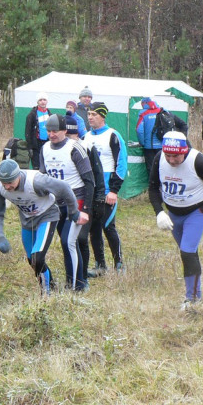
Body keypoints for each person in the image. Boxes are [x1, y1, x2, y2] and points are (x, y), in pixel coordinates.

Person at [148, 131, 203, 311]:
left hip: (197, 210)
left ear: (184, 151)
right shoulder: (159, 159)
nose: (171, 160)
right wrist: (159, 212)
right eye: (168, 155)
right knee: (188, 252)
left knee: (187, 252)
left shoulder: (198, 162)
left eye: (175, 156)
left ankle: (193, 298)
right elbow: (153, 188)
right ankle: (195, 290)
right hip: (173, 213)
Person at [0, 159, 80, 295]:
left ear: (18, 176)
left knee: (37, 256)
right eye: (4, 183)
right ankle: (51, 286)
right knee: (32, 260)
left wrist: (74, 211)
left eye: (10, 183)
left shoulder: (37, 181)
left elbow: (64, 188)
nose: (7, 187)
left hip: (47, 215)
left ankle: (46, 294)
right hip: (27, 220)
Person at [39, 114, 94, 292]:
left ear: (64, 131)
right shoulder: (45, 148)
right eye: (48, 131)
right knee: (69, 243)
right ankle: (76, 279)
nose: (52, 134)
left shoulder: (75, 148)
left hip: (76, 200)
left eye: (55, 131)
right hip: (56, 203)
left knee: (67, 241)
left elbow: (89, 180)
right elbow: (43, 177)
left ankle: (77, 285)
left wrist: (86, 208)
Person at [83, 102, 125, 275]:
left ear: (102, 116)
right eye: (89, 114)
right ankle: (100, 265)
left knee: (108, 227)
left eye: (94, 114)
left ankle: (119, 264)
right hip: (92, 191)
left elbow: (121, 164)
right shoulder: (86, 137)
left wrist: (114, 191)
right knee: (93, 229)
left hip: (108, 190)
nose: (90, 117)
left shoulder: (113, 135)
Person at [64, 114, 104, 288]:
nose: (69, 140)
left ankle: (83, 277)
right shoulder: (59, 149)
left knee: (82, 238)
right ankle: (73, 275)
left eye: (72, 136)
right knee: (69, 240)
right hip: (67, 200)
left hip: (87, 198)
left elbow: (97, 173)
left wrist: (98, 197)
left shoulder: (85, 147)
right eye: (67, 137)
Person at [24, 92, 52, 168]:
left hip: (47, 143)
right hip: (36, 145)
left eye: (44, 100)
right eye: (40, 100)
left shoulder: (50, 114)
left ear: (47, 101)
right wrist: (30, 147)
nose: (42, 102)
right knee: (37, 167)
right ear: (37, 102)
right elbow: (28, 132)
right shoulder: (32, 115)